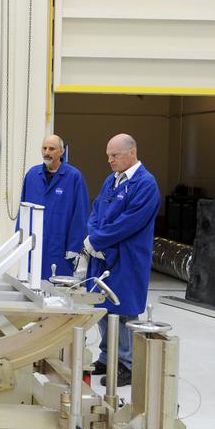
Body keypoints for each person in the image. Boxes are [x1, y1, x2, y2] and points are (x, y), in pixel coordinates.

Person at [84, 133, 161, 387]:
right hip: (104, 254)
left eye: (114, 155)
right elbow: (96, 210)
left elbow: (129, 223)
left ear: (132, 153)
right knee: (104, 307)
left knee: (125, 309)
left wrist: (97, 241)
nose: (110, 160)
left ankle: (126, 365)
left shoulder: (145, 184)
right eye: (108, 156)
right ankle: (107, 357)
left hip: (127, 257)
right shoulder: (112, 180)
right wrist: (93, 236)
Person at [18, 134, 89, 278]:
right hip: (34, 243)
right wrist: (19, 238)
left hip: (60, 246)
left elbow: (80, 214)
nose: (47, 152)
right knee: (31, 286)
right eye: (44, 148)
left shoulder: (73, 177)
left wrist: (74, 246)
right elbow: (23, 210)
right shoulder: (32, 175)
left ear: (62, 152)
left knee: (57, 292)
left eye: (51, 149)